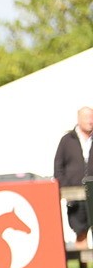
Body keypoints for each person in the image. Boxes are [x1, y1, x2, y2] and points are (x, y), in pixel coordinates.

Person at [53, 106, 93, 249]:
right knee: (80, 230)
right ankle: (83, 267)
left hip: (92, 192)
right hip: (74, 196)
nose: (90, 121)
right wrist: (66, 188)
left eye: (92, 117)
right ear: (78, 119)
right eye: (87, 117)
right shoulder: (67, 140)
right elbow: (58, 167)